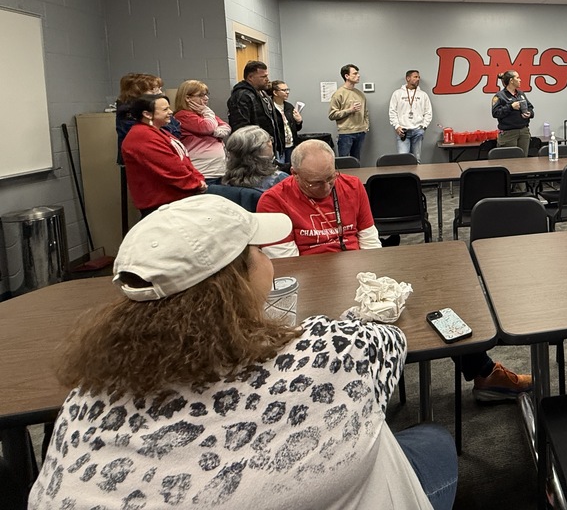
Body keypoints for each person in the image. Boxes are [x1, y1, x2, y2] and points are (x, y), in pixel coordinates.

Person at [28, 194, 456, 510]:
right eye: (259, 253)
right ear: (237, 283)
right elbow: (386, 341)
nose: (269, 260)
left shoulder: (84, 399)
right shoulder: (333, 352)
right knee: (431, 441)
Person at [259, 140, 531, 403]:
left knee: (437, 298)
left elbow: (369, 241)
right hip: (315, 291)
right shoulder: (273, 202)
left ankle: (485, 374)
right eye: (315, 183)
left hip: (359, 276)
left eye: (331, 177)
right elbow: (291, 268)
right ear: (294, 174)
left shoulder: (351, 186)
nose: (327, 187)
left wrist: (375, 282)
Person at [121, 93, 206, 215]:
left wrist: (199, 179)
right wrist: (196, 184)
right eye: (165, 109)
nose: (171, 112)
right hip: (163, 206)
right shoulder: (142, 136)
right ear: (147, 114)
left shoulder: (159, 132)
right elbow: (171, 169)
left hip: (178, 199)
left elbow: (184, 161)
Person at [114, 72, 181, 164]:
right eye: (153, 90)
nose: (160, 93)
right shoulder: (128, 114)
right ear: (138, 93)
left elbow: (175, 129)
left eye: (159, 89)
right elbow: (161, 136)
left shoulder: (155, 109)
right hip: (141, 162)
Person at [227, 61, 286, 161]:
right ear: (250, 77)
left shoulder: (263, 94)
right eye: (263, 77)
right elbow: (241, 128)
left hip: (268, 147)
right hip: (254, 152)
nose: (267, 80)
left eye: (267, 76)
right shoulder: (242, 96)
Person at [174, 79, 230, 181]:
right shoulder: (183, 115)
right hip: (204, 171)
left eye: (206, 95)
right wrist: (207, 112)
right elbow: (207, 127)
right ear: (188, 98)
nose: (206, 98)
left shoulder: (204, 115)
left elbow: (226, 127)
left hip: (218, 170)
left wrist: (214, 131)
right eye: (201, 95)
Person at [222, 125, 289, 190]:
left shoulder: (226, 182)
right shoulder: (279, 179)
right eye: (268, 140)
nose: (270, 143)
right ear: (258, 150)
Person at [389, 69, 432, 160]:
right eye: (415, 77)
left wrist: (423, 126)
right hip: (403, 132)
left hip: (418, 130)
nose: (418, 79)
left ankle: (417, 174)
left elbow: (428, 112)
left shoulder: (423, 95)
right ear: (408, 78)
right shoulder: (397, 93)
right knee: (403, 159)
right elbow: (392, 111)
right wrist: (396, 126)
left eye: (419, 77)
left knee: (417, 159)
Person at [329, 63, 369, 159]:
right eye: (355, 74)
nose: (358, 76)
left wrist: (366, 126)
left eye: (358, 73)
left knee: (356, 161)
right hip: (346, 133)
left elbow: (365, 112)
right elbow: (332, 115)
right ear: (346, 76)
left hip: (360, 132)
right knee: (345, 163)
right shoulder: (339, 94)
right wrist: (350, 110)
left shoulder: (360, 94)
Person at [491, 70, 534, 154]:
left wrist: (529, 113)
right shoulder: (499, 96)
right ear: (511, 80)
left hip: (523, 131)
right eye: (517, 78)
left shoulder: (521, 94)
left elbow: (530, 107)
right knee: (510, 160)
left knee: (524, 160)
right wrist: (511, 107)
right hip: (508, 134)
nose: (520, 80)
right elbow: (495, 113)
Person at [271, 79, 302, 162]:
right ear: (275, 92)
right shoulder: (270, 108)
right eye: (284, 90)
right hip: (279, 147)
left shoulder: (289, 107)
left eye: (288, 90)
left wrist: (299, 121)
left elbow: (296, 128)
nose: (287, 92)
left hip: (291, 145)